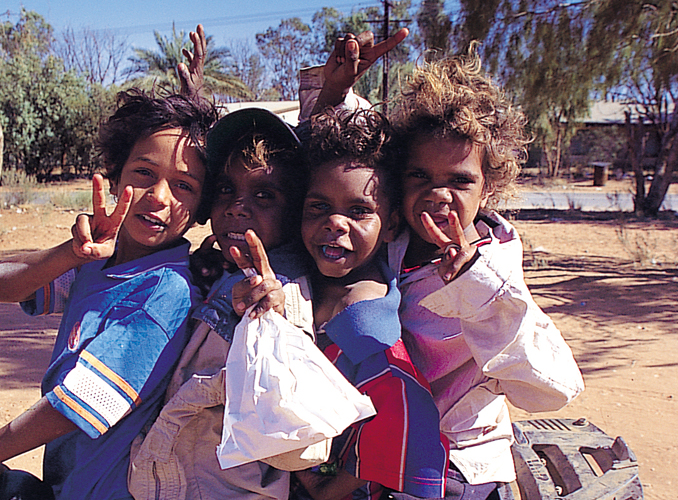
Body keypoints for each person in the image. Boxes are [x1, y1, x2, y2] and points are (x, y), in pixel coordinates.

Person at [0, 88, 218, 500]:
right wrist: (70, 254)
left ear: (202, 206)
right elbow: (0, 286)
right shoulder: (99, 262)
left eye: (184, 186)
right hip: (61, 487)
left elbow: (82, 403)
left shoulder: (165, 291)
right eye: (143, 173)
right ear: (115, 176)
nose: (159, 196)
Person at [383, 46, 585, 497]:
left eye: (459, 181)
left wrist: (479, 287)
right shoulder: (389, 242)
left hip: (458, 461)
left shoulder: (495, 269)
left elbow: (552, 388)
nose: (438, 194)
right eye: (420, 177)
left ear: (488, 186)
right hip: (383, 446)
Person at [235, 108, 449, 500]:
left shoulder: (371, 337)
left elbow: (407, 419)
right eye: (318, 207)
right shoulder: (295, 280)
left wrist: (328, 488)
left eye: (359, 211)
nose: (335, 223)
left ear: (393, 226)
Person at [127, 106, 312, 500]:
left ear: (295, 212)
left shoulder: (281, 292)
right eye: (226, 189)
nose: (236, 206)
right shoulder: (215, 269)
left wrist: (274, 318)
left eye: (264, 195)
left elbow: (294, 419)